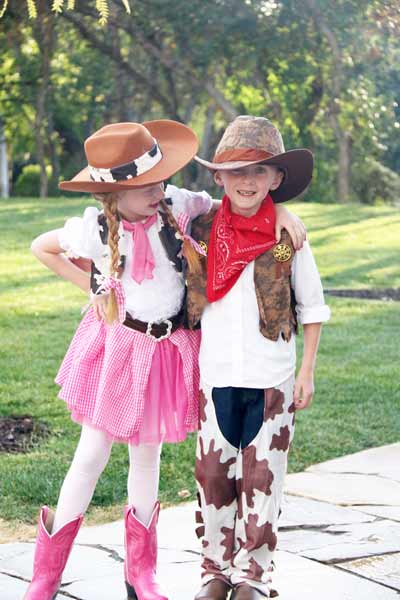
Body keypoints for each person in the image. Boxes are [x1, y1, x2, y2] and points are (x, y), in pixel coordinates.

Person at [25, 119, 304, 600]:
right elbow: (42, 247)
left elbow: (234, 205)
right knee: (92, 454)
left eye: (160, 177)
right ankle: (45, 576)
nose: (159, 188)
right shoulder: (94, 229)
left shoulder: (178, 205)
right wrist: (96, 289)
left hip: (164, 351)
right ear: (113, 195)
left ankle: (141, 574)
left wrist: (283, 216)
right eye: (144, 185)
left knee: (146, 456)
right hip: (120, 347)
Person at [186, 115, 331, 600]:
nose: (247, 181)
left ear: (276, 179)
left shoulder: (286, 242)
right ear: (218, 178)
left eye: (259, 171)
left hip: (271, 376)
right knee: (212, 475)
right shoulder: (202, 232)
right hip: (218, 373)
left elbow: (311, 304)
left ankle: (254, 574)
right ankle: (215, 569)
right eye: (236, 172)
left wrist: (306, 370)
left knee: (262, 477)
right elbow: (151, 210)